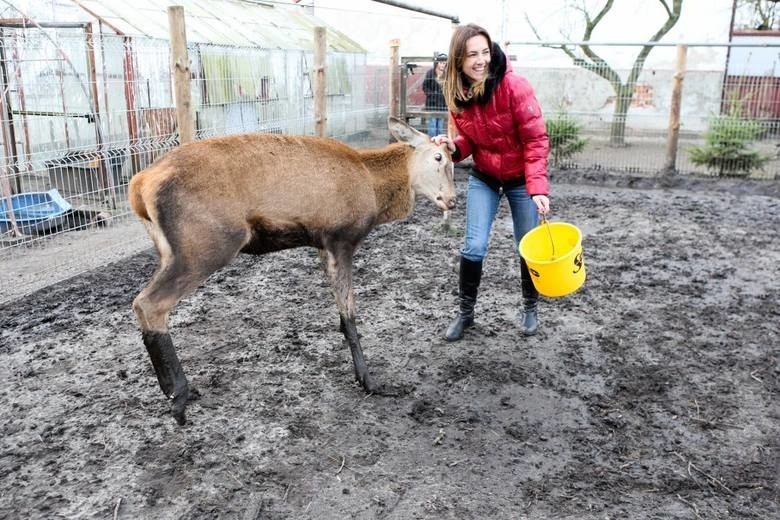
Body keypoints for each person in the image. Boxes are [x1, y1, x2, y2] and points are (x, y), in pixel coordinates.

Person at [433, 24, 551, 342]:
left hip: (520, 179)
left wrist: (537, 188)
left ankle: (529, 308)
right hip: (485, 175)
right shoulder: (458, 94)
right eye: (472, 54)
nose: (481, 60)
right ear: (459, 59)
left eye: (485, 52)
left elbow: (536, 141)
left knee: (526, 246)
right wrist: (453, 147)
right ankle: (466, 315)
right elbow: (470, 141)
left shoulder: (515, 87)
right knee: (473, 245)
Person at [422, 52, 448, 137]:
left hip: (442, 103)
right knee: (432, 124)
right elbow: (425, 86)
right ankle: (432, 141)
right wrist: (432, 95)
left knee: (440, 124)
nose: (442, 65)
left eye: (444, 63)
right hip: (432, 103)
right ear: (437, 63)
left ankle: (439, 142)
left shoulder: (447, 74)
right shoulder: (430, 73)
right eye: (441, 63)